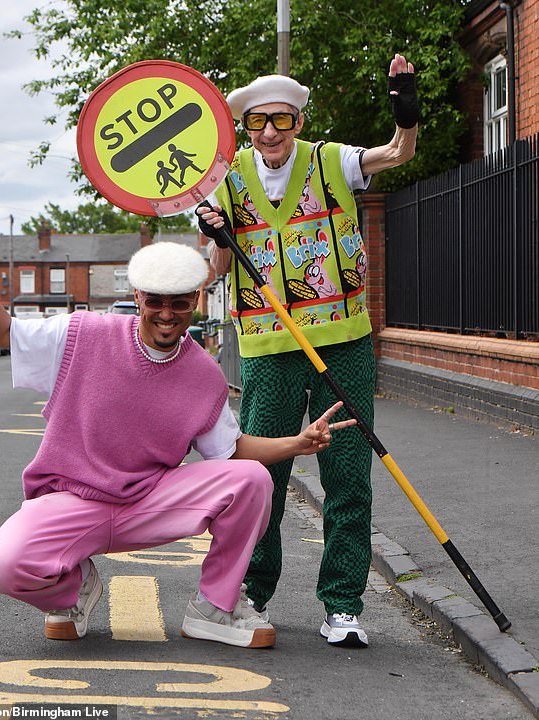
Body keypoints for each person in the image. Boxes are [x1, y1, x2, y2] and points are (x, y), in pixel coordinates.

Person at [0, 230, 357, 649]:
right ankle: (73, 590)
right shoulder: (82, 333)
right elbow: (3, 333)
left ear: (197, 302)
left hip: (148, 501)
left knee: (252, 479)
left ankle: (213, 606)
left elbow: (231, 452)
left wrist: (298, 442)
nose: (167, 314)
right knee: (2, 565)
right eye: (156, 301)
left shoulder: (204, 374)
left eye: (179, 302)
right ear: (137, 297)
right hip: (72, 499)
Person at [197, 54, 418, 648]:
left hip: (343, 342)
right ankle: (252, 595)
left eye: (282, 121)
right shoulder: (224, 177)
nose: (270, 133)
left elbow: (396, 154)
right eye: (257, 123)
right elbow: (216, 270)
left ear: (298, 121)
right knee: (259, 475)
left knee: (347, 474)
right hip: (268, 348)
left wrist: (406, 110)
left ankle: (343, 605)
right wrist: (216, 235)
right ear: (244, 127)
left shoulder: (331, 162)